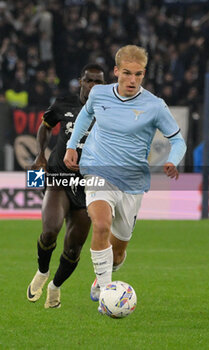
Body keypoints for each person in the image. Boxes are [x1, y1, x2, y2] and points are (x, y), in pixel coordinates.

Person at [64, 45, 187, 314]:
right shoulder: (99, 94)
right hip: (98, 169)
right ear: (116, 71)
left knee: (117, 252)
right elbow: (86, 115)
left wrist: (171, 160)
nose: (132, 80)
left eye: (139, 74)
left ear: (144, 75)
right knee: (100, 225)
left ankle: (105, 275)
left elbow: (178, 140)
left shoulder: (155, 106)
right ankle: (107, 292)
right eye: (127, 73)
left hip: (132, 183)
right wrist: (72, 146)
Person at [27, 63, 105, 308]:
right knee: (50, 230)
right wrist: (40, 154)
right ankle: (42, 271)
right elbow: (45, 126)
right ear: (81, 81)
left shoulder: (108, 111)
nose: (92, 86)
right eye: (89, 80)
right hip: (58, 177)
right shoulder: (64, 103)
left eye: (98, 82)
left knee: (73, 250)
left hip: (88, 185)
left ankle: (55, 287)